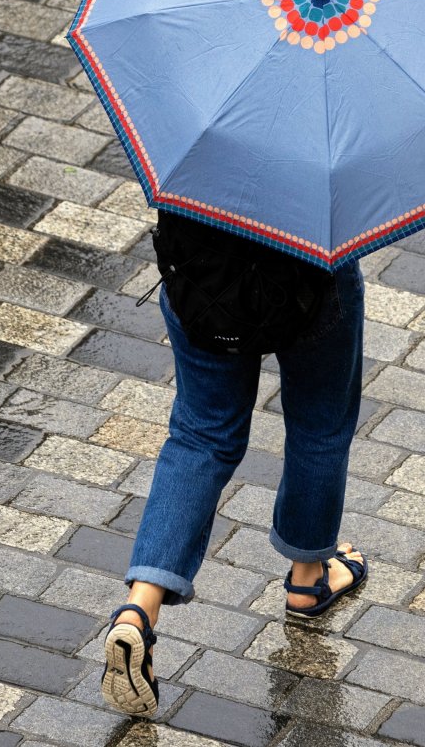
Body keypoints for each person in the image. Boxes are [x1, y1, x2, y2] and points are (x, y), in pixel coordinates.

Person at [100, 215, 370, 717]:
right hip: (310, 269)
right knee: (320, 428)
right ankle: (309, 579)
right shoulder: (333, 139)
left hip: (203, 267)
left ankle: (139, 610)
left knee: (200, 434)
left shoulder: (201, 136)